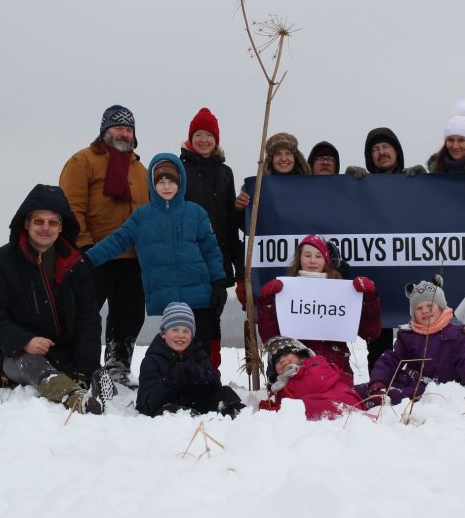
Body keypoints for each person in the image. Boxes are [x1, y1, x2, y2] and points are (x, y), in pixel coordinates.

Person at [0, 184, 115, 414]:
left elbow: (88, 319)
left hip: (65, 353)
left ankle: (89, 383)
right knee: (32, 363)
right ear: (27, 223)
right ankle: (76, 398)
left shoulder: (76, 264)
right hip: (17, 354)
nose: (46, 228)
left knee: (89, 369)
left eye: (53, 222)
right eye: (39, 221)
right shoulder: (0, 263)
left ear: (62, 227)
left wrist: (84, 369)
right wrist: (24, 341)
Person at [84, 154, 228, 354]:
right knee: (173, 347)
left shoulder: (196, 213)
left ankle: (205, 383)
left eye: (172, 181)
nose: (167, 186)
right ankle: (174, 384)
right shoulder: (142, 217)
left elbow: (210, 250)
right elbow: (117, 240)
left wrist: (219, 281)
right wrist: (88, 259)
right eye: (161, 182)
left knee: (200, 346)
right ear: (152, 184)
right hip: (166, 296)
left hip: (199, 293)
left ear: (181, 182)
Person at [59, 104, 149, 388]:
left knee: (129, 315)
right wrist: (83, 245)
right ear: (104, 130)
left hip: (133, 256)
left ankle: (117, 367)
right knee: (84, 312)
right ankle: (73, 364)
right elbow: (71, 206)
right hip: (94, 252)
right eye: (118, 127)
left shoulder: (140, 168)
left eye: (128, 129)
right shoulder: (83, 161)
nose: (124, 133)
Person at [345, 127, 426, 370]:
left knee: (418, 338)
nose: (381, 152)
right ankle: (379, 385)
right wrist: (346, 184)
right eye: (375, 149)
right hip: (376, 277)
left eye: (386, 147)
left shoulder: (413, 182)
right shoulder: (362, 186)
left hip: (409, 272)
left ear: (397, 151)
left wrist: (427, 182)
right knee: (378, 343)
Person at [359, 275, 465, 407]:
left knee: (394, 398)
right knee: (362, 391)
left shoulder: (456, 335)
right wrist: (378, 381)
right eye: (419, 308)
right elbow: (390, 360)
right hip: (408, 382)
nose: (425, 311)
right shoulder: (409, 335)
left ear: (441, 308)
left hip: (433, 391)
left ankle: (379, 402)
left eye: (430, 306)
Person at [256, 234, 382, 376]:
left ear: (327, 260)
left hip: (336, 370)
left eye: (318, 256)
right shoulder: (285, 290)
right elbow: (270, 337)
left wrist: (369, 299)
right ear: (299, 258)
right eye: (307, 255)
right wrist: (266, 302)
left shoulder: (342, 291)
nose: (312, 261)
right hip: (296, 372)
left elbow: (370, 333)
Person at [179, 108, 244, 369]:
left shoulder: (225, 172)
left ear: (216, 139)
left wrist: (240, 208)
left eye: (208, 135)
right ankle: (184, 368)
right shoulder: (180, 169)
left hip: (218, 258)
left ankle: (209, 371)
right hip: (189, 257)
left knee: (213, 315)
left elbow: (230, 219)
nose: (203, 140)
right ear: (190, 138)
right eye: (198, 134)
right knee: (187, 317)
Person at [136, 302, 245, 417]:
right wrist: (173, 379)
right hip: (167, 410)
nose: (181, 335)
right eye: (175, 330)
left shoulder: (198, 353)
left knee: (225, 393)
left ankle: (241, 417)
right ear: (163, 333)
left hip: (196, 406)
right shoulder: (152, 361)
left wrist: (202, 376)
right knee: (170, 410)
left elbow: (215, 387)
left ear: (192, 335)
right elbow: (149, 402)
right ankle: (191, 419)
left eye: (186, 331)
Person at [258, 336, 365, 420]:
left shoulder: (314, 364)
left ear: (299, 354)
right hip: (318, 404)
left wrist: (285, 408)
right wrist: (271, 406)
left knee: (303, 406)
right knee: (303, 406)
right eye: (277, 361)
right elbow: (283, 400)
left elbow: (314, 385)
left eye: (286, 355)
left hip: (342, 400)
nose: (282, 360)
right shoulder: (281, 384)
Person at [234, 131, 311, 212]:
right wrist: (239, 208)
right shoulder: (256, 188)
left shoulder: (309, 186)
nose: (284, 159)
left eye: (288, 153)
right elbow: (242, 221)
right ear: (270, 159)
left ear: (296, 157)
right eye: (278, 154)